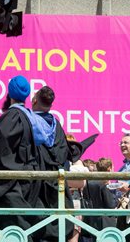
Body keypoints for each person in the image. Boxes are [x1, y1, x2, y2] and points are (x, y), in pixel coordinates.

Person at [0, 75, 45, 241]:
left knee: (13, 229)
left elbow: (1, 147)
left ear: (10, 93)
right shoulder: (31, 117)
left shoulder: (12, 116)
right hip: (28, 177)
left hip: (14, 182)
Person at [32, 86, 75, 240]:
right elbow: (63, 155)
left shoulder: (29, 121)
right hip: (56, 184)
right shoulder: (56, 125)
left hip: (35, 185)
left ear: (34, 100)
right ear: (51, 105)